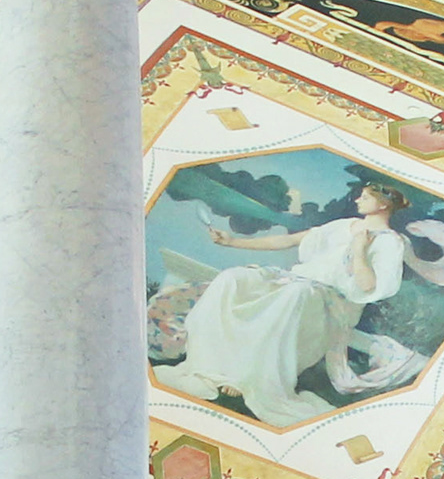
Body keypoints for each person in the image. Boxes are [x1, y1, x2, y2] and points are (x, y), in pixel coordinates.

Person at [158, 183, 430, 430]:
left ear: (382, 205)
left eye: (366, 197)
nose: (358, 199)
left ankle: (246, 379)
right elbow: (288, 240)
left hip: (330, 299)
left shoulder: (390, 242)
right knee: (234, 279)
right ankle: (208, 365)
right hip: (294, 280)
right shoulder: (344, 224)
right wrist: (233, 241)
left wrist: (359, 250)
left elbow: (369, 285)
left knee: (295, 295)